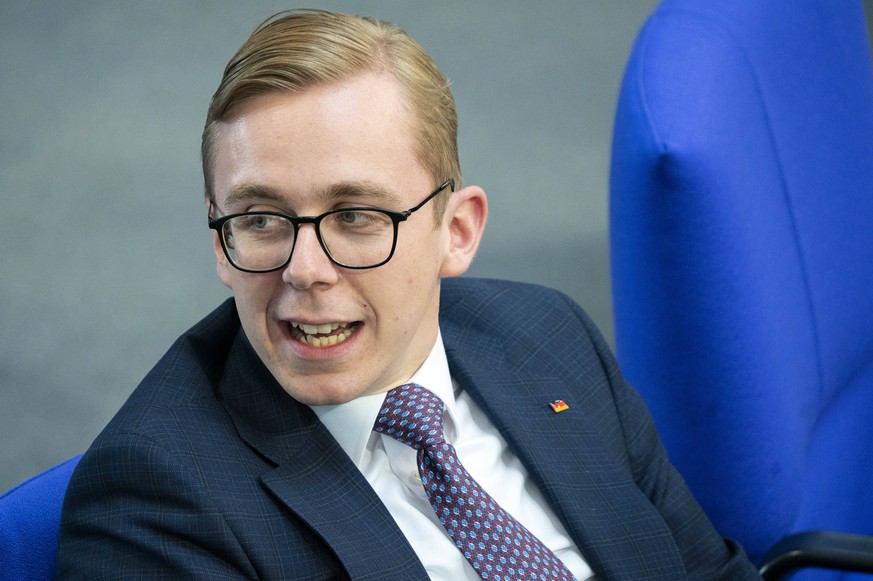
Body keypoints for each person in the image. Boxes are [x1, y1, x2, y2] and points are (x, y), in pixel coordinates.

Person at [58, 9, 760, 580]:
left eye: (356, 216)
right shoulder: (155, 500)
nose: (304, 269)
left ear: (455, 231)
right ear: (220, 242)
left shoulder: (546, 333)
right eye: (262, 220)